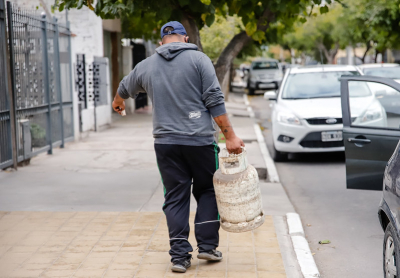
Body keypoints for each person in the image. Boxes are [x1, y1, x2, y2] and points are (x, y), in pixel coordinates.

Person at [112, 21, 245, 273]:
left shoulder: (147, 65)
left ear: (162, 41)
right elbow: (214, 100)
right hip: (201, 142)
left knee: (175, 197)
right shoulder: (199, 60)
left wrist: (118, 102)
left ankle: (179, 257)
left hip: (166, 144)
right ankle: (206, 246)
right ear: (185, 39)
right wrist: (230, 136)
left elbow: (123, 88)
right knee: (207, 190)